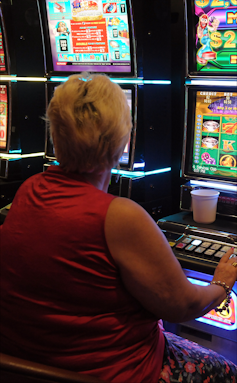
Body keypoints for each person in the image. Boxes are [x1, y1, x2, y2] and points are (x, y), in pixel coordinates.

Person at [0, 73, 237, 383]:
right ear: (123, 141)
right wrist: (221, 284)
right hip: (105, 374)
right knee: (227, 369)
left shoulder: (29, 190)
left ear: (55, 136)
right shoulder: (119, 216)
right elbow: (182, 306)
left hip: (28, 365)